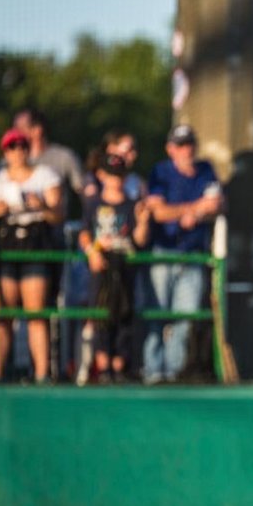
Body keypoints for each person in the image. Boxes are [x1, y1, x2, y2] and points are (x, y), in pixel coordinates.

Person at [142, 124, 224, 385]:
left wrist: (197, 213)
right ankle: (154, 371)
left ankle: (172, 373)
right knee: (157, 314)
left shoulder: (206, 170)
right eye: (180, 145)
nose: (185, 150)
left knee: (184, 318)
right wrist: (194, 208)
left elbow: (218, 204)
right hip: (162, 253)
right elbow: (158, 212)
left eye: (189, 144)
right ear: (170, 149)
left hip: (192, 255)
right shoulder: (160, 172)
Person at [0, 129, 64, 383]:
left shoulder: (44, 176)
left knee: (35, 313)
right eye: (12, 146)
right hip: (5, 245)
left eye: (22, 146)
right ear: (4, 151)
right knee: (3, 314)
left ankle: (41, 374)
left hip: (35, 245)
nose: (17, 151)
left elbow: (58, 215)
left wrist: (40, 206)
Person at [79, 153, 151, 383]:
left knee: (124, 315)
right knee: (100, 316)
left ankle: (120, 366)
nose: (115, 180)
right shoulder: (94, 204)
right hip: (101, 267)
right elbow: (84, 233)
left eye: (119, 175)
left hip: (125, 266)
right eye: (111, 175)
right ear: (101, 175)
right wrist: (92, 251)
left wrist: (143, 222)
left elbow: (139, 240)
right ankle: (103, 367)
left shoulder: (132, 205)